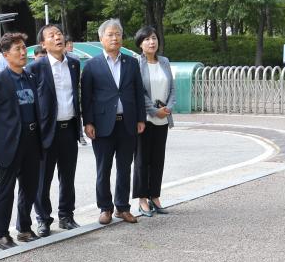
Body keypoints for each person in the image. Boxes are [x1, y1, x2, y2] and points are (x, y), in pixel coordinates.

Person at [80, 19, 145, 225]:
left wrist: (141, 118)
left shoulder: (132, 62)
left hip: (127, 123)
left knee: (125, 167)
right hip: (102, 125)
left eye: (117, 34)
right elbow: (86, 96)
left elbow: (138, 93)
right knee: (103, 168)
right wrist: (88, 122)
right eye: (110, 34)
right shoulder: (91, 65)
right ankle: (105, 208)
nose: (114, 37)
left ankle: (122, 208)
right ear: (101, 39)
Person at [0, 33, 43, 248]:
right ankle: (1, 235)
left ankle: (24, 229)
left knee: (29, 187)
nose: (23, 52)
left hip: (32, 140)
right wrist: (0, 141)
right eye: (17, 49)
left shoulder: (31, 77)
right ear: (5, 54)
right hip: (9, 143)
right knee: (6, 189)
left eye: (24, 47)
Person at [28, 23, 82, 236]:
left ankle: (66, 215)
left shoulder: (74, 64)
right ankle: (43, 219)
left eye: (59, 34)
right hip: (45, 132)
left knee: (68, 176)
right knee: (43, 179)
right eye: (51, 35)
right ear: (43, 44)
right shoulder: (36, 68)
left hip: (69, 128)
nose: (57, 37)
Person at [132, 26, 175, 217]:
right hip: (145, 119)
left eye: (154, 38)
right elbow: (138, 92)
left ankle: (155, 196)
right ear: (140, 43)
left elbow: (172, 88)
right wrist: (154, 110)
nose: (152, 42)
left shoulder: (164, 61)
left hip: (163, 118)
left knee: (158, 159)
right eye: (147, 39)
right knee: (142, 160)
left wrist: (168, 108)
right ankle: (142, 199)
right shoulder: (136, 64)